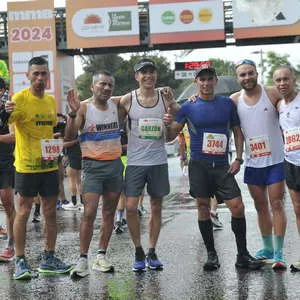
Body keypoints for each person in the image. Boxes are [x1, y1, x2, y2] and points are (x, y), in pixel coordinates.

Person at [164, 64, 263, 271]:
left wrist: (238, 157)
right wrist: (167, 123)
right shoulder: (188, 106)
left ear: (215, 81)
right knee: (202, 206)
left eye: (210, 79)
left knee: (237, 206)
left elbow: (236, 131)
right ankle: (211, 255)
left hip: (221, 165)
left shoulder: (226, 103)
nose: (206, 83)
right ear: (196, 83)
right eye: (202, 79)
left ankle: (242, 254)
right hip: (198, 165)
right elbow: (171, 136)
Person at [5, 56, 72, 280]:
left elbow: (49, 132)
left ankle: (49, 257)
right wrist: (4, 111)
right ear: (28, 76)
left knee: (50, 212)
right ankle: (21, 260)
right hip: (26, 166)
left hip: (49, 166)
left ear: (48, 77)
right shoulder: (20, 99)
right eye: (36, 74)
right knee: (23, 212)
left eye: (44, 74)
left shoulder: (50, 102)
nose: (40, 78)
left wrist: (57, 150)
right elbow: (6, 123)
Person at [119, 58, 177, 271]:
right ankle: (138, 250)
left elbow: (172, 132)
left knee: (156, 206)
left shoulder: (164, 99)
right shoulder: (127, 100)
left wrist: (171, 117)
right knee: (131, 207)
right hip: (135, 162)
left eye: (151, 72)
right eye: (143, 73)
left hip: (158, 161)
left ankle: (152, 250)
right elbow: (112, 115)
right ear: (137, 77)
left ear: (156, 75)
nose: (148, 76)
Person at [66, 71, 123, 278]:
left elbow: (143, 94)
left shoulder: (117, 105)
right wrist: (72, 114)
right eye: (102, 84)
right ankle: (82, 259)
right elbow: (70, 136)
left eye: (109, 85)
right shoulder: (83, 108)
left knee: (109, 213)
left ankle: (101, 256)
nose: (106, 88)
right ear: (92, 87)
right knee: (89, 213)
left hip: (114, 166)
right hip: (92, 167)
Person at [231, 59, 286, 269]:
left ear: (257, 73)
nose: (247, 78)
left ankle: (279, 252)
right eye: (242, 75)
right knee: (260, 206)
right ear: (238, 78)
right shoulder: (235, 100)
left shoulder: (272, 93)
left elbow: (292, 103)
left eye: (250, 73)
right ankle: (267, 247)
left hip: (276, 161)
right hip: (253, 163)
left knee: (277, 204)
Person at [273, 65, 300, 271]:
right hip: (291, 162)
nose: (282, 83)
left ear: (294, 79)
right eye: (278, 80)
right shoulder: (279, 105)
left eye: (285, 79)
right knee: (298, 209)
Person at [0, 76, 15, 262]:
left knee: (7, 203)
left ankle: (11, 244)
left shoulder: (9, 111)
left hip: (4, 163)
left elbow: (14, 136)